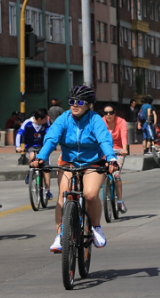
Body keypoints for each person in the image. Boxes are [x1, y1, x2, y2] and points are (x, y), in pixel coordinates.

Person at [31, 86, 118, 253]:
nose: (74, 105)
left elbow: (104, 141)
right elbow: (51, 139)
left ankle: (96, 228)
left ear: (88, 105)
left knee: (90, 194)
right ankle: (59, 236)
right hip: (68, 162)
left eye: (79, 102)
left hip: (92, 162)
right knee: (64, 194)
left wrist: (111, 158)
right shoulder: (63, 119)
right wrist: (41, 157)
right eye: (71, 102)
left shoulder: (95, 120)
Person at [16, 109, 53, 200]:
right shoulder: (27, 123)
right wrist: (18, 147)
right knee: (32, 156)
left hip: (43, 147)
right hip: (31, 146)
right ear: (40, 119)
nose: (46, 120)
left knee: (46, 168)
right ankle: (31, 172)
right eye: (45, 118)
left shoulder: (46, 123)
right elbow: (19, 134)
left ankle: (47, 191)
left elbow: (50, 132)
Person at [102, 103, 129, 214]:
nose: (108, 115)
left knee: (116, 174)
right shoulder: (101, 122)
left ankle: (120, 201)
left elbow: (124, 137)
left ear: (115, 114)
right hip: (104, 151)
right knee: (102, 173)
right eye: (106, 113)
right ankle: (106, 192)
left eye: (111, 113)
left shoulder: (121, 122)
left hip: (118, 151)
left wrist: (125, 149)